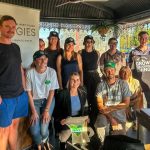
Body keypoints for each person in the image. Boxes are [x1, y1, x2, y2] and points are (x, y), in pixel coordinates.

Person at [0, 15, 28, 150]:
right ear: (0, 27)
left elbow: (20, 69)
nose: (11, 29)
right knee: (3, 132)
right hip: (4, 98)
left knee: (15, 127)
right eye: (7, 26)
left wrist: (25, 91)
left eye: (13, 27)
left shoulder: (16, 47)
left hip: (19, 95)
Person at [26, 50, 59, 150]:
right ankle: (40, 143)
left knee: (44, 129)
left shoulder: (52, 72)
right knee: (34, 130)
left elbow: (52, 92)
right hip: (34, 101)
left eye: (45, 59)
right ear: (35, 61)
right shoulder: (30, 73)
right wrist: (33, 111)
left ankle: (45, 140)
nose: (43, 61)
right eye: (40, 59)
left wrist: (46, 111)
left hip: (48, 100)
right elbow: (29, 94)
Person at [94, 61, 130, 143]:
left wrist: (110, 108)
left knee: (119, 140)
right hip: (104, 115)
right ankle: (102, 145)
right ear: (104, 72)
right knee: (101, 129)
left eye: (112, 70)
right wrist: (111, 118)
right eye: (107, 70)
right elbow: (100, 106)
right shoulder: (100, 85)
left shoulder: (123, 84)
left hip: (119, 116)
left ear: (115, 70)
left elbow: (126, 103)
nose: (110, 72)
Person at [54, 72, 88, 150]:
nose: (75, 82)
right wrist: (60, 120)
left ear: (79, 81)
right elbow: (56, 111)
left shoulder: (83, 92)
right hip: (67, 120)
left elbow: (85, 107)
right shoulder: (62, 94)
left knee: (82, 139)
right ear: (69, 81)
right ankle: (62, 145)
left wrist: (87, 117)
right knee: (65, 135)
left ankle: (78, 144)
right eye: (73, 80)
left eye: (77, 80)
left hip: (78, 119)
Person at [80, 35, 101, 130]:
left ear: (93, 43)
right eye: (87, 41)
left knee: (95, 99)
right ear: (84, 43)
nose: (89, 43)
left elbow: (97, 65)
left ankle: (93, 121)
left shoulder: (97, 53)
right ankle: (85, 121)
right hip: (85, 77)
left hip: (95, 77)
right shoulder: (80, 53)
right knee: (85, 99)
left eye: (91, 42)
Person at [129, 31, 150, 108]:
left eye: (146, 38)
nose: (144, 40)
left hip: (149, 84)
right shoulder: (133, 52)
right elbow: (130, 68)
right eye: (141, 38)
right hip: (138, 84)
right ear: (138, 39)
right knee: (138, 106)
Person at [119, 66, 143, 130]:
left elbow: (139, 95)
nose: (126, 74)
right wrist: (127, 106)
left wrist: (134, 105)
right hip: (123, 103)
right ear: (120, 73)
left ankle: (136, 121)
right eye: (123, 72)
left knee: (138, 110)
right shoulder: (117, 83)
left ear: (130, 73)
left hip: (135, 101)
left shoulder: (136, 82)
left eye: (127, 72)